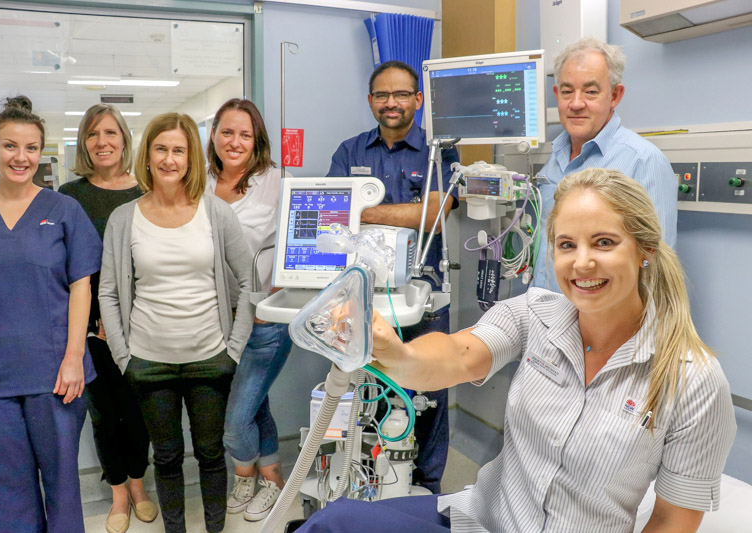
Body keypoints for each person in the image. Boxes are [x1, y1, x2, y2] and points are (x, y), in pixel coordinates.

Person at [296, 168, 736, 533]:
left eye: (604, 242)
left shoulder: (692, 380)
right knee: (324, 524)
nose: (582, 262)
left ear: (644, 251)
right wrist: (397, 354)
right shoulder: (536, 314)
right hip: (480, 518)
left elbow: (672, 520)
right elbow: (458, 354)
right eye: (567, 245)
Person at [0, 96, 102, 532]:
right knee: (4, 490)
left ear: (42, 151)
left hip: (53, 373)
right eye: (10, 146)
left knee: (61, 487)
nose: (21, 157)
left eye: (31, 148)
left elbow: (81, 288)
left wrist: (74, 357)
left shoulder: (63, 211)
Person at [99, 112, 254, 533]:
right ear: (147, 155)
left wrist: (233, 350)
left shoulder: (215, 213)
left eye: (179, 150)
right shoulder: (124, 218)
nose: (170, 159)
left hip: (210, 357)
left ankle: (216, 528)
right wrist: (123, 356)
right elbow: (109, 292)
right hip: (148, 362)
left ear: (191, 159)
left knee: (209, 453)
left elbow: (249, 282)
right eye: (161, 149)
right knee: (165, 457)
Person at [327, 59, 461, 494]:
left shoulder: (440, 152)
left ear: (418, 100)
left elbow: (438, 213)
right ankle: (369, 478)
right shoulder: (350, 152)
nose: (391, 103)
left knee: (430, 392)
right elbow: (333, 217)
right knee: (369, 386)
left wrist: (366, 213)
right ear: (370, 101)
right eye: (382, 95)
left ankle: (427, 485)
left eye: (401, 94)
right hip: (361, 296)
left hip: (425, 295)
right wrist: (409, 214)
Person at [59, 103, 156, 533]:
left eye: (111, 133)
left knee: (140, 412)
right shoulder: (69, 196)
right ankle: (117, 490)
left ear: (124, 140)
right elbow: (64, 265)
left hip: (143, 324)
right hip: (91, 327)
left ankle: (139, 484)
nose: (103, 142)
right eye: (94, 134)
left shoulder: (146, 191)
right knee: (104, 413)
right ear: (84, 142)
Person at [205, 98, 293, 521]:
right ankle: (270, 480)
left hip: (263, 320)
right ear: (214, 135)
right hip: (215, 321)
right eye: (227, 132)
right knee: (256, 405)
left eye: (244, 134)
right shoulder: (197, 181)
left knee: (235, 421)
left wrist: (269, 302)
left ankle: (246, 475)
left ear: (256, 139)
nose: (235, 142)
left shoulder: (276, 182)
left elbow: (296, 248)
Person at [532, 37, 677, 291]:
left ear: (614, 95)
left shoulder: (643, 161)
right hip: (544, 314)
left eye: (590, 92)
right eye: (567, 91)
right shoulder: (553, 160)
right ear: (557, 95)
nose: (576, 103)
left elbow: (654, 270)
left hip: (603, 324)